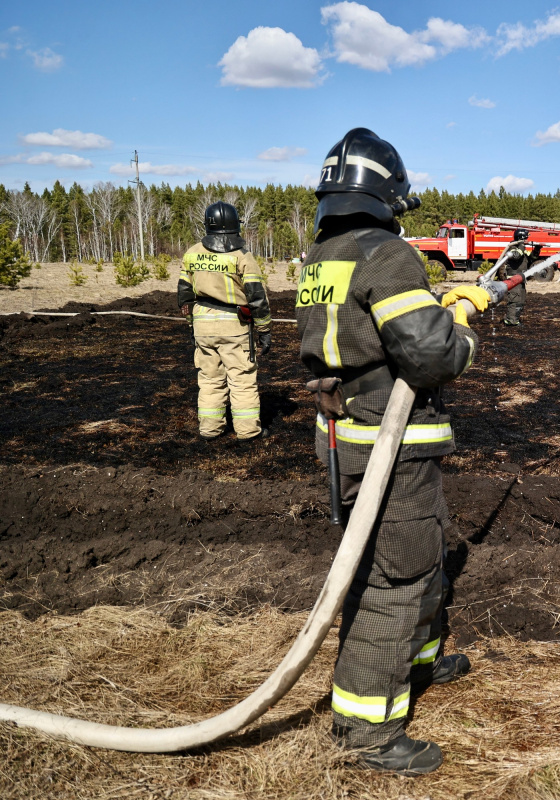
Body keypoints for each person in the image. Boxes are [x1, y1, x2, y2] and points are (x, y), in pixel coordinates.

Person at [295, 127, 489, 776]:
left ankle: (422, 662)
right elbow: (429, 355)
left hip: (349, 444)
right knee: (392, 580)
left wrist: (439, 307)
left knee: (422, 558)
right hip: (389, 451)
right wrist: (460, 324)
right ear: (388, 195)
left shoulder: (325, 256)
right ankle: (367, 731)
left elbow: (374, 336)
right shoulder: (385, 253)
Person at [177, 201, 271, 440]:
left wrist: (192, 327)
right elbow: (256, 296)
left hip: (202, 324)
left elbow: (185, 295)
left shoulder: (191, 253)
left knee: (209, 379)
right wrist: (264, 329)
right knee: (241, 380)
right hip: (234, 326)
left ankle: (210, 429)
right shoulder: (242, 256)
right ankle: (248, 432)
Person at [495, 229, 530, 325]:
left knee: (521, 301)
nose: (527, 240)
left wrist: (537, 250)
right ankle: (510, 320)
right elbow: (516, 256)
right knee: (514, 300)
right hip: (513, 279)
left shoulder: (521, 248)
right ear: (521, 238)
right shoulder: (513, 247)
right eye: (526, 238)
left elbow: (530, 259)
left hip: (521, 278)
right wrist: (522, 245)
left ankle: (515, 320)